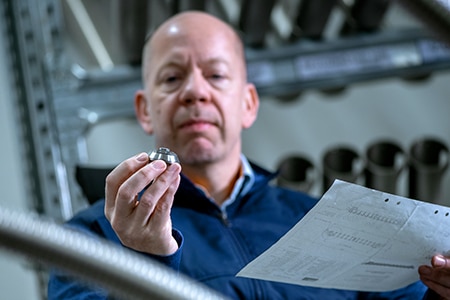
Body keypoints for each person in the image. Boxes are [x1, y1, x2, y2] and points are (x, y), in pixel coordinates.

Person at [48, 10, 450, 299]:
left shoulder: (329, 222)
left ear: (248, 104)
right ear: (143, 109)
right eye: (172, 78)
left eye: (217, 75)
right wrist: (146, 260)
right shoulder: (88, 240)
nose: (195, 91)